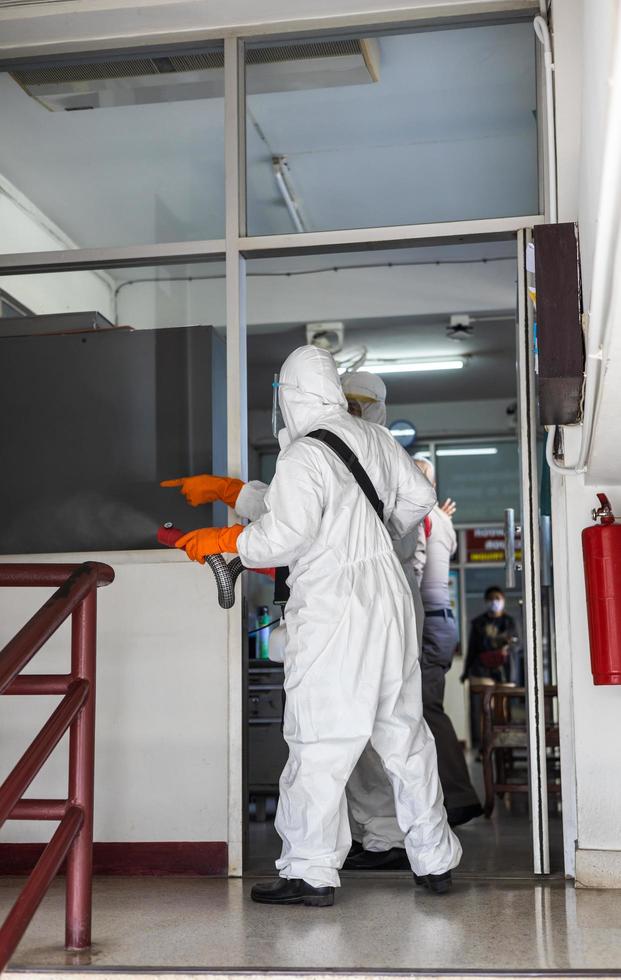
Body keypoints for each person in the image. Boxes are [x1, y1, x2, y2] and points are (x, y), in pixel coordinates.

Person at [165, 346, 461, 906]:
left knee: (320, 738)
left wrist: (227, 541)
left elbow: (286, 537)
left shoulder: (303, 452)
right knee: (404, 736)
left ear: (290, 397)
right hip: (389, 599)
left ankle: (308, 871)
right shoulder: (373, 438)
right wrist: (369, 540)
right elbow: (417, 497)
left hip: (336, 605)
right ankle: (435, 859)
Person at [414, 459, 482, 828]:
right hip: (441, 623)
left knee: (425, 710)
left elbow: (415, 570)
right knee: (424, 710)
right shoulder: (441, 519)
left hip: (427, 622)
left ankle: (457, 796)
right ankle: (449, 796)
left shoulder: (422, 518)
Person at [461, 586, 519, 747]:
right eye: (491, 599)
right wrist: (466, 672)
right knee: (483, 708)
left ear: (503, 601)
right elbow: (472, 649)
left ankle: (504, 745)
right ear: (486, 602)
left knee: (503, 709)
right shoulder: (479, 623)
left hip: (504, 670)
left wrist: (508, 645)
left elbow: (517, 645)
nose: (494, 602)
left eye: (498, 599)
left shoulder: (510, 622)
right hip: (482, 670)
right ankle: (483, 745)